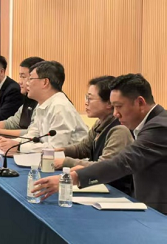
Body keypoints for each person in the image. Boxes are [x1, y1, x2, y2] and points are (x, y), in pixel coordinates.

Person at [37, 74, 167, 214]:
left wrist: (73, 178)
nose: (115, 113)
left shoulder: (160, 127)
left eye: (119, 106)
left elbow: (123, 162)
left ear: (140, 102)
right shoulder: (147, 124)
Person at [32, 76, 134, 198]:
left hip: (115, 193)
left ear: (109, 103)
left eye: (90, 98)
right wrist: (59, 151)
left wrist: (66, 161)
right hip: (99, 186)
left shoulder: (119, 130)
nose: (86, 102)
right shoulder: (100, 123)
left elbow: (104, 166)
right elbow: (83, 148)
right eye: (86, 97)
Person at [0, 60, 87, 155]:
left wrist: (18, 146)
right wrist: (9, 142)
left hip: (70, 162)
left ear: (45, 82)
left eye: (30, 79)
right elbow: (32, 135)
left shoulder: (60, 107)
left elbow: (56, 148)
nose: (27, 83)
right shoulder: (42, 104)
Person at [0, 56, 44, 138]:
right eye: (20, 76)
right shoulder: (29, 99)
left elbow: (33, 133)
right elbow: (13, 122)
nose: (19, 82)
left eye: (23, 77)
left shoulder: (46, 104)